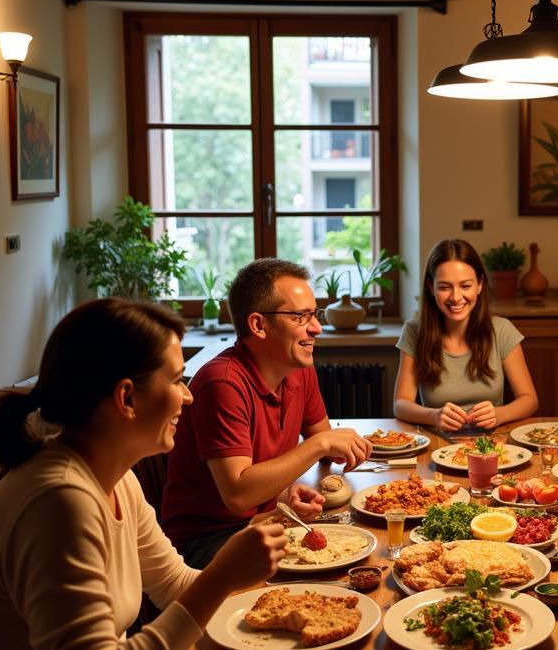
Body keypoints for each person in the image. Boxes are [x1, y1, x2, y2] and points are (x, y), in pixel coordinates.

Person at [0, 298, 288, 650]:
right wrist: (223, 576)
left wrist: (284, 597)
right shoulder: (59, 500)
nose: (189, 395)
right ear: (127, 398)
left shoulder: (114, 480)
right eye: (177, 380)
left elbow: (177, 584)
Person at [162, 258, 371, 567]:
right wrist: (321, 444)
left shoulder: (297, 369)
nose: (316, 327)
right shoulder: (222, 383)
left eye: (315, 314)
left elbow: (331, 452)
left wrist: (286, 494)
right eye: (300, 316)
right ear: (258, 325)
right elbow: (239, 495)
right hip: (205, 543)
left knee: (358, 548)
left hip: (265, 521)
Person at [393, 239, 537, 434]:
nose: (456, 297)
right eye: (444, 287)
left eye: (465, 286)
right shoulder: (413, 332)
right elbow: (400, 404)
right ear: (430, 287)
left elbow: (529, 399)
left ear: (479, 284)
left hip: (493, 446)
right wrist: (434, 416)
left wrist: (500, 414)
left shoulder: (502, 330)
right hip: (437, 444)